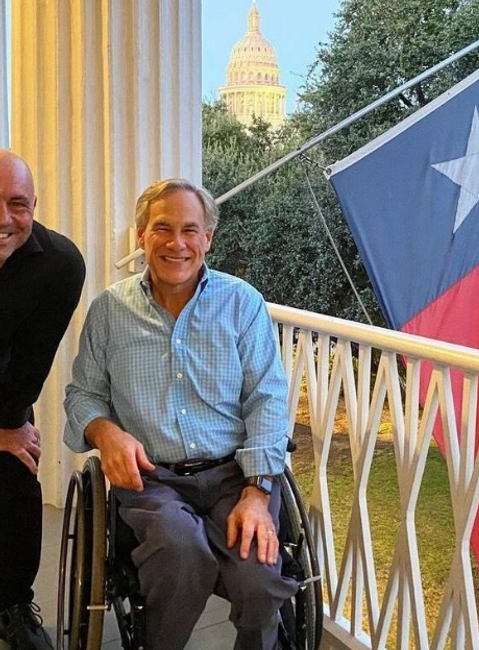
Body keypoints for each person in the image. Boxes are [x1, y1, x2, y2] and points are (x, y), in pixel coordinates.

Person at [63, 179, 297, 650]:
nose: (177, 243)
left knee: (257, 580)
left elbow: (267, 398)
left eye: (190, 230)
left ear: (208, 237)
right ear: (140, 235)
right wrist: (106, 432)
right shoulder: (109, 311)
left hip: (236, 476)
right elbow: (82, 394)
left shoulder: (241, 303)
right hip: (154, 480)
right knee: (180, 554)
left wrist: (257, 492)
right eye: (162, 228)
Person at [0, 150, 86, 650]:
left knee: (17, 473)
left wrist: (9, 426)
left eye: (17, 204)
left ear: (34, 204)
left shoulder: (59, 263)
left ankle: (11, 603)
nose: (4, 219)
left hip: (2, 391)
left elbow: (31, 363)